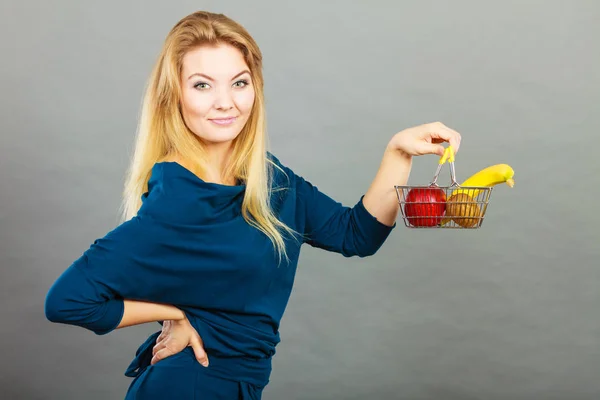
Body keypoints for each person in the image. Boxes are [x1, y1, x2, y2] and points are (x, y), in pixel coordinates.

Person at [44, 10, 461, 399]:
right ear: (175, 96)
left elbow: (358, 234)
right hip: (187, 386)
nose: (225, 101)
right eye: (202, 85)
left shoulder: (269, 180)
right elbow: (66, 301)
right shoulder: (177, 200)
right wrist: (173, 313)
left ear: (255, 88)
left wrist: (398, 152)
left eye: (239, 83)